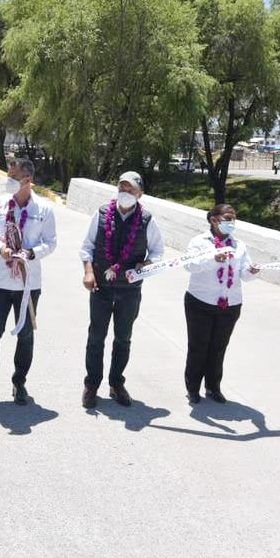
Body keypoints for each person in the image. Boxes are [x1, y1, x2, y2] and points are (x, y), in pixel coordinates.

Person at [79, 171, 164, 408]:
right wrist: (88, 272)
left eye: (130, 189)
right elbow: (87, 247)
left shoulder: (147, 220)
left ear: (140, 194)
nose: (125, 192)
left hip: (130, 290)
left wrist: (146, 264)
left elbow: (158, 251)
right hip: (101, 287)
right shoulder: (101, 214)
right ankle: (91, 385)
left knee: (123, 339)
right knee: (96, 337)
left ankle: (116, 384)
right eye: (121, 187)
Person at [0, 159, 58, 406]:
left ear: (27, 180)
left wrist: (32, 253)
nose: (9, 180)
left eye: (13, 177)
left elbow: (51, 242)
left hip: (28, 283)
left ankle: (19, 382)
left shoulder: (44, 209)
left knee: (25, 334)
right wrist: (0, 248)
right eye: (8, 175)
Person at [183, 205, 260, 403]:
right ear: (214, 220)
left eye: (233, 219)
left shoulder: (239, 245)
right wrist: (213, 259)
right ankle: (193, 388)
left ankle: (213, 387)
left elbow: (243, 274)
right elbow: (189, 265)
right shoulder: (200, 242)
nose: (231, 222)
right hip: (200, 302)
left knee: (218, 348)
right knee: (198, 346)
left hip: (230, 304)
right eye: (227, 218)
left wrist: (251, 272)